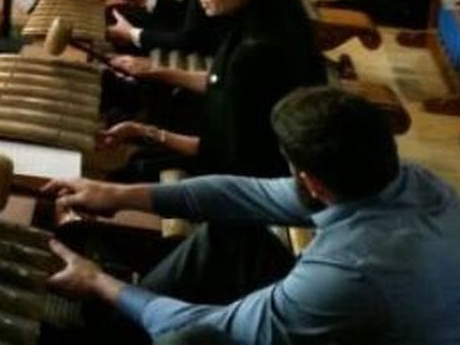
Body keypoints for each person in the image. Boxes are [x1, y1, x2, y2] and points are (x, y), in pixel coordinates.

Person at [45, 86, 460, 344]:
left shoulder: (348, 270)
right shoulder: (406, 179)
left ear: (311, 181)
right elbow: (245, 194)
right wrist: (119, 194)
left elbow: (216, 330)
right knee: (230, 237)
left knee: (185, 341)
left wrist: (99, 283)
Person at [105, 0, 326, 179]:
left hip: (252, 175)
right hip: (241, 148)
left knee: (133, 166)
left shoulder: (258, 51)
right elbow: (223, 83)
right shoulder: (263, 17)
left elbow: (222, 152)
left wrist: (146, 132)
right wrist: (154, 71)